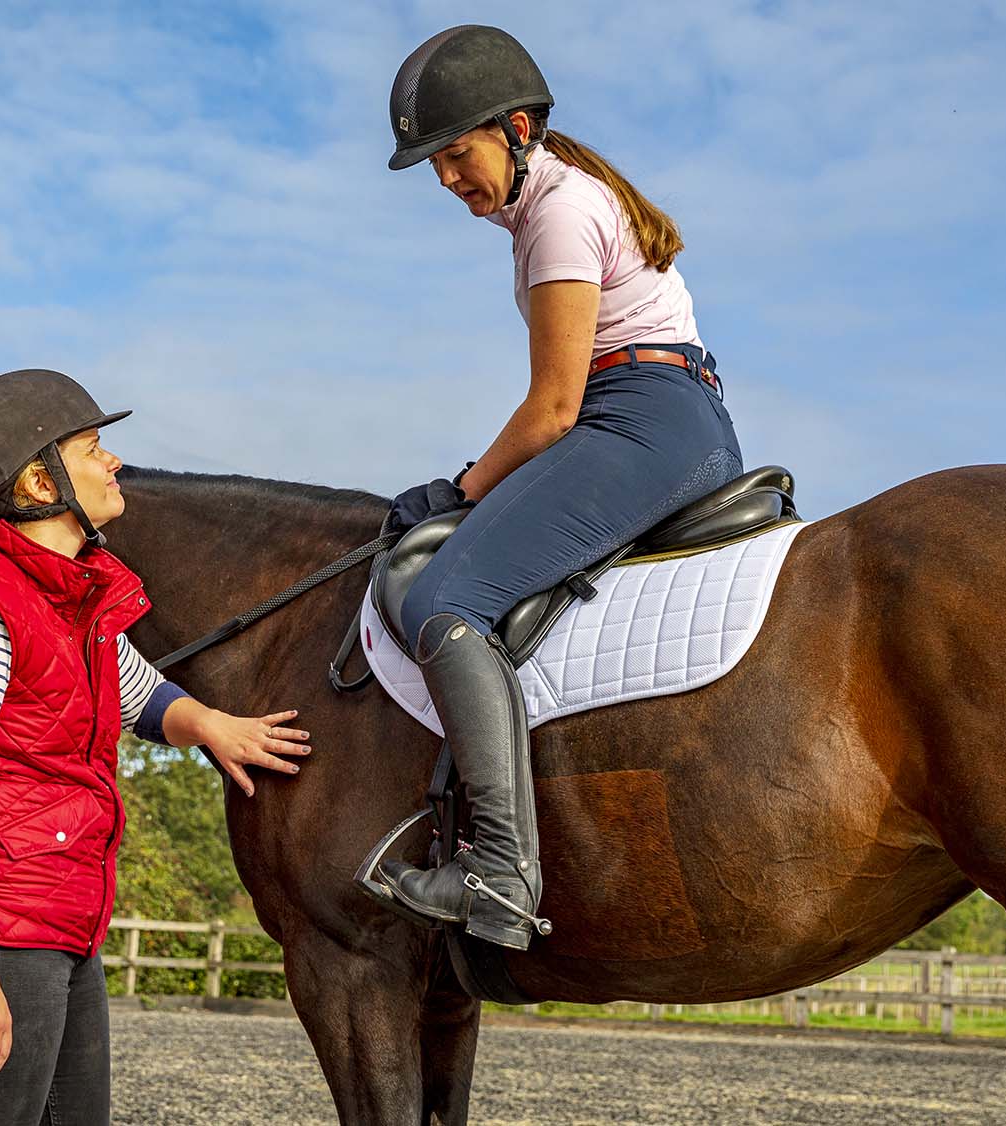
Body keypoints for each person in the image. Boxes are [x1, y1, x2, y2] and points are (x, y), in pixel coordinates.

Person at [365, 26, 743, 950]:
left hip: (642, 417)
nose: (449, 179)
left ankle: (498, 870)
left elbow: (554, 408)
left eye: (457, 154)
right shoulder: (555, 202)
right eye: (435, 165)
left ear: (518, 128)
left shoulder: (559, 214)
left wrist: (459, 489)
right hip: (660, 408)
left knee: (446, 598)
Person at [0, 368, 311, 1125]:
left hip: (58, 919)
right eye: (94, 448)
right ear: (41, 485)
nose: (114, 463)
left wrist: (211, 725)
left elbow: (141, 696)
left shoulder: (74, 603)